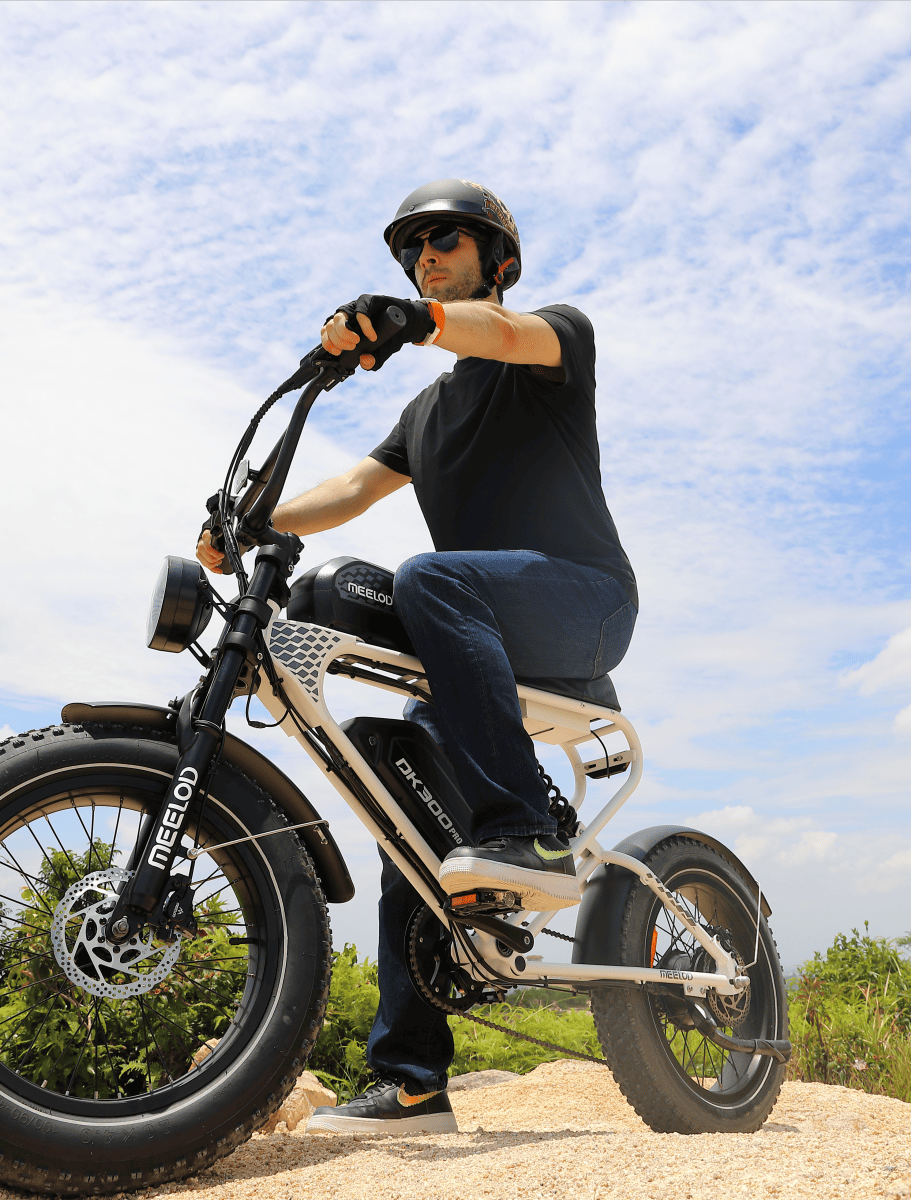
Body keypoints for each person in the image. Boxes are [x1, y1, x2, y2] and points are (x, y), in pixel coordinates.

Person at [196, 179, 638, 1134]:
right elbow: (353, 489)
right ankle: (412, 1081)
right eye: (411, 253)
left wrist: (418, 317)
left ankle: (528, 825)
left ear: (498, 261)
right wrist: (248, 518)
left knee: (431, 575)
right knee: (406, 808)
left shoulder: (554, 339)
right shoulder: (428, 414)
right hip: (476, 638)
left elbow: (505, 337)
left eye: (444, 241)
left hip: (583, 604)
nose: (424, 257)